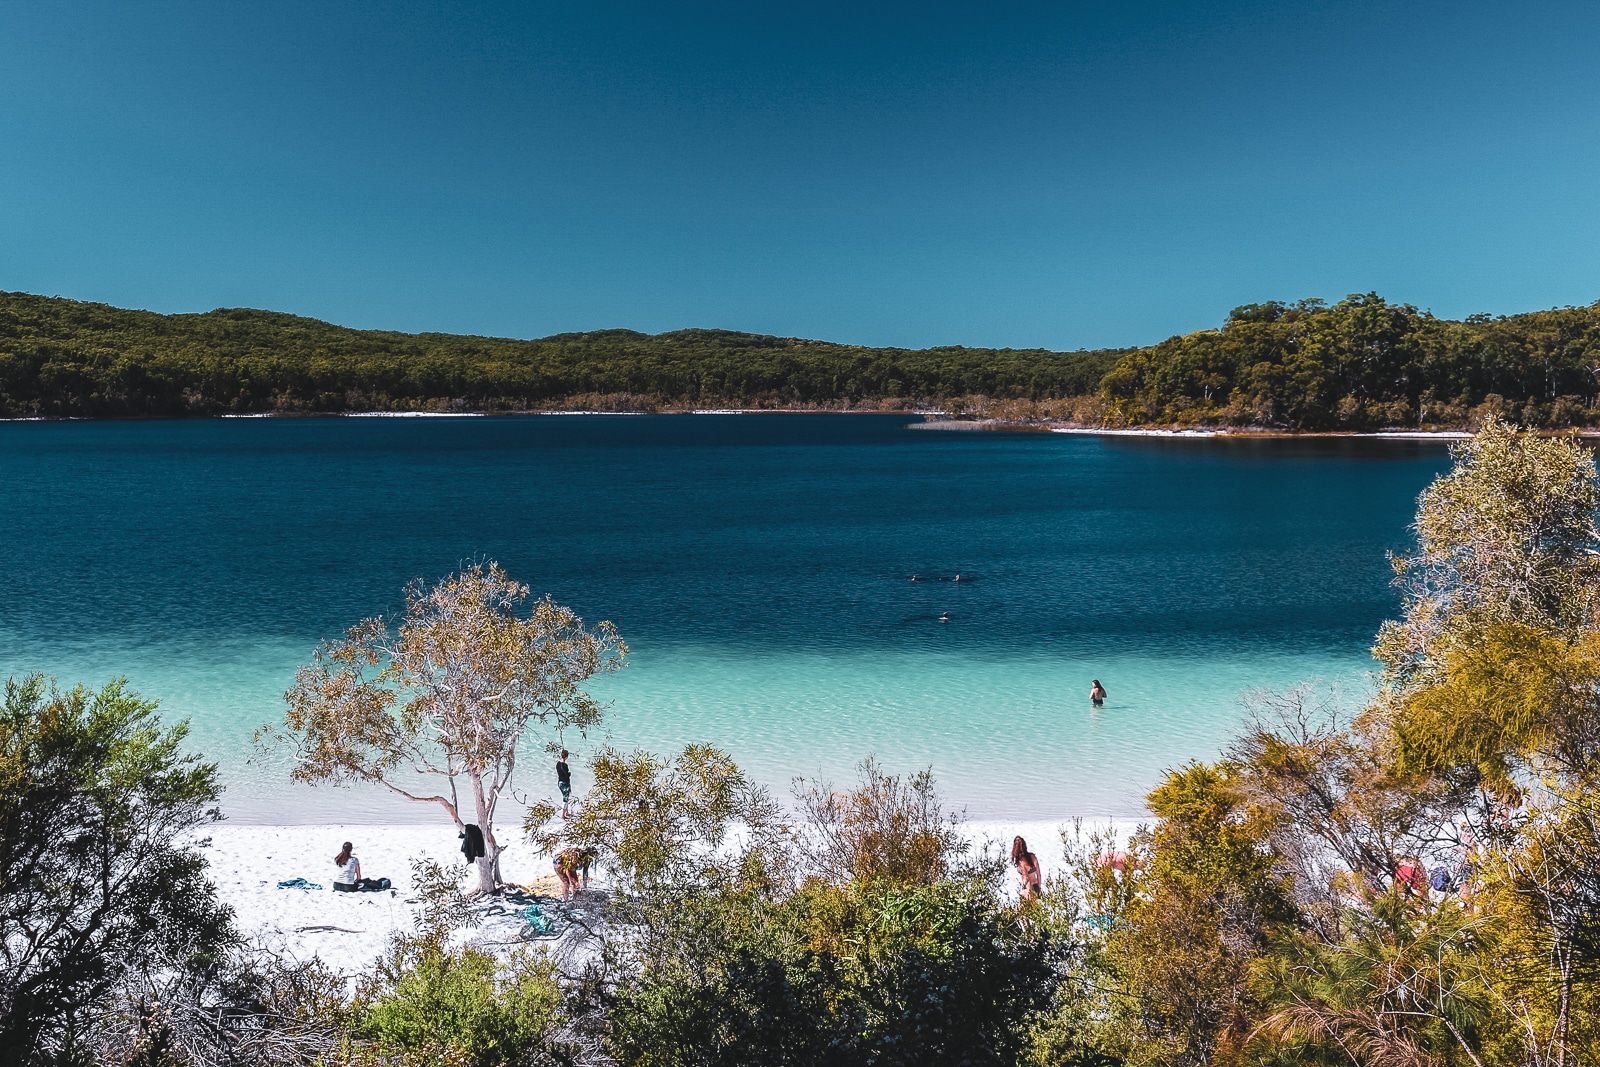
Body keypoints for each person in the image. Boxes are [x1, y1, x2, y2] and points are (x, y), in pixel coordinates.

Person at [1012, 836, 1042, 903]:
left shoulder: (1021, 861)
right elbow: (1039, 875)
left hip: (1028, 889)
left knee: (1021, 912)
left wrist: (1027, 892)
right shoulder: (1033, 857)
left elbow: (1026, 878)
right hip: (1036, 886)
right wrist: (1039, 889)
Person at [557, 749, 572, 819]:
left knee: (566, 798)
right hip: (565, 783)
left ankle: (566, 812)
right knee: (565, 799)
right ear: (566, 757)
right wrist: (569, 774)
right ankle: (563, 815)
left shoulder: (558, 764)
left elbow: (560, 773)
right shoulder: (565, 765)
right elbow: (566, 775)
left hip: (560, 783)